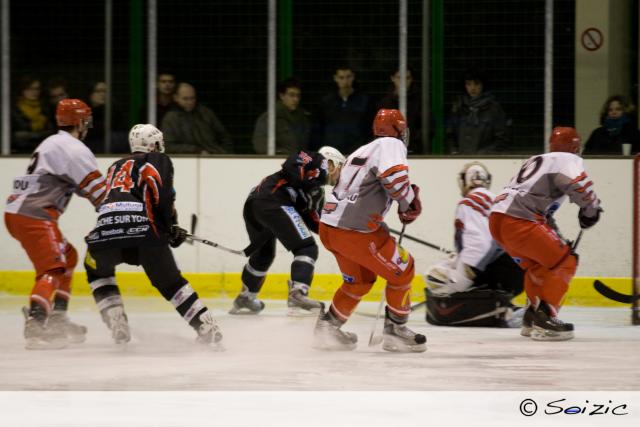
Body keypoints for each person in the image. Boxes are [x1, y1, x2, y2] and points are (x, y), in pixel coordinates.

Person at [84, 124, 222, 346]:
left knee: (96, 270)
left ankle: (115, 318)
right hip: (143, 232)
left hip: (105, 233)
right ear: (155, 144)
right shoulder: (159, 160)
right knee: (171, 283)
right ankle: (205, 325)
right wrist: (170, 227)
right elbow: (162, 195)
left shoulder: (115, 166)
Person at [313, 108, 426, 353]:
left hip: (331, 228)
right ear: (399, 130)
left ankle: (327, 330)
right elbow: (394, 180)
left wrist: (403, 200)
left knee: (359, 282)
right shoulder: (390, 145)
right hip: (356, 232)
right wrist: (409, 203)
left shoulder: (362, 150)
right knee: (404, 270)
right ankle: (395, 331)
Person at [5, 99, 105, 350]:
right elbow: (99, 192)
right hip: (34, 216)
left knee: (68, 256)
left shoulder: (53, 142)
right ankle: (37, 324)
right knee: (53, 268)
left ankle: (57, 318)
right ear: (81, 122)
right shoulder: (73, 148)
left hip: (21, 212)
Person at [489, 127, 603, 341]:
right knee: (566, 260)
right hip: (520, 220)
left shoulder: (537, 159)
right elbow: (580, 185)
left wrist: (554, 236)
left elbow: (536, 202)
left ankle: (531, 317)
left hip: (497, 219)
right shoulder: (567, 158)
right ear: (575, 147)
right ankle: (546, 317)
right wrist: (591, 209)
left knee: (538, 265)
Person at [228, 149, 333, 316]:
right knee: (307, 248)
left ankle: (245, 298)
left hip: (257, 205)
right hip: (272, 200)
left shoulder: (316, 191)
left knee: (264, 255)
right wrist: (309, 180)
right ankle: (297, 295)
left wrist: (339, 233)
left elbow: (314, 220)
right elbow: (291, 165)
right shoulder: (315, 161)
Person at [424, 161, 524, 327]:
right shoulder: (497, 200)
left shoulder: (468, 203)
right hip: (518, 271)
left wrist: (462, 276)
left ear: (464, 181)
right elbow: (490, 241)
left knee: (434, 277)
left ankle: (505, 313)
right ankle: (506, 308)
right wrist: (459, 259)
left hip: (502, 271)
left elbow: (480, 245)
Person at [446, 68, 509, 154]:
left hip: (485, 161)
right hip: (461, 159)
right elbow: (450, 134)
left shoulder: (494, 109)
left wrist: (485, 154)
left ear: (483, 85)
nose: (472, 88)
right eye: (468, 84)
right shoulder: (458, 107)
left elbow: (502, 139)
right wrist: (454, 151)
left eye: (476, 84)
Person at [161, 82, 233, 154]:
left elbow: (224, 136)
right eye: (185, 99)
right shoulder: (170, 118)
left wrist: (225, 152)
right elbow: (168, 146)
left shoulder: (205, 113)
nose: (190, 102)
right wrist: (196, 150)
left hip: (215, 156)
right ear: (176, 98)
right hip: (188, 159)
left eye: (192, 98)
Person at [315, 65, 371, 155]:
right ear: (335, 78)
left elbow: (368, 128)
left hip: (357, 152)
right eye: (341, 77)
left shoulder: (364, 101)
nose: (345, 81)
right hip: (332, 153)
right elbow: (319, 129)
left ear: (353, 77)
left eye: (348, 77)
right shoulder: (327, 102)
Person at [253, 78, 312, 155]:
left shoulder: (303, 118)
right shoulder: (270, 118)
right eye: (291, 95)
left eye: (298, 95)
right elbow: (260, 146)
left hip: (299, 163)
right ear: (282, 96)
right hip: (278, 162)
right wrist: (281, 155)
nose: (296, 99)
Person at [377, 67, 423, 154]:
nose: (404, 81)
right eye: (400, 78)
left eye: (407, 78)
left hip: (414, 151)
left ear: (411, 79)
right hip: (388, 151)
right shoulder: (384, 104)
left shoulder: (419, 102)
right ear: (393, 78)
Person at [11, 75, 54, 153]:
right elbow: (13, 137)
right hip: (20, 152)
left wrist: (28, 135)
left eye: (37, 89)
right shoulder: (13, 110)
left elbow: (51, 133)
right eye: (29, 89)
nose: (34, 92)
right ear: (22, 90)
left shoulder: (46, 109)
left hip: (44, 150)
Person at [83, 81, 128, 154]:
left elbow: (121, 131)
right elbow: (88, 132)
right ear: (90, 94)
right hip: (91, 146)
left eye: (105, 91)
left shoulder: (114, 110)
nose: (103, 94)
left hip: (111, 148)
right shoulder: (86, 110)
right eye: (98, 91)